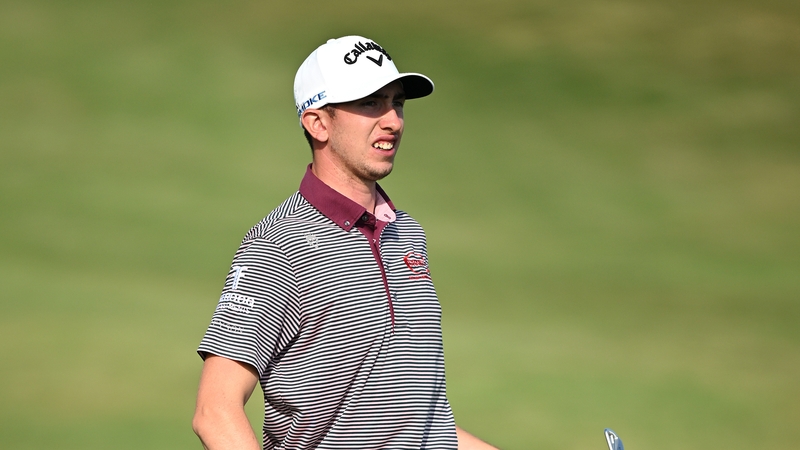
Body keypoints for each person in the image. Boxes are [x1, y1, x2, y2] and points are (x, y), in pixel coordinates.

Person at [192, 35, 498, 450]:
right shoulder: (279, 245)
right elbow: (216, 411)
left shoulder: (406, 233)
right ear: (318, 123)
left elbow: (418, 427)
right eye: (370, 102)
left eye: (398, 102)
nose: (393, 120)